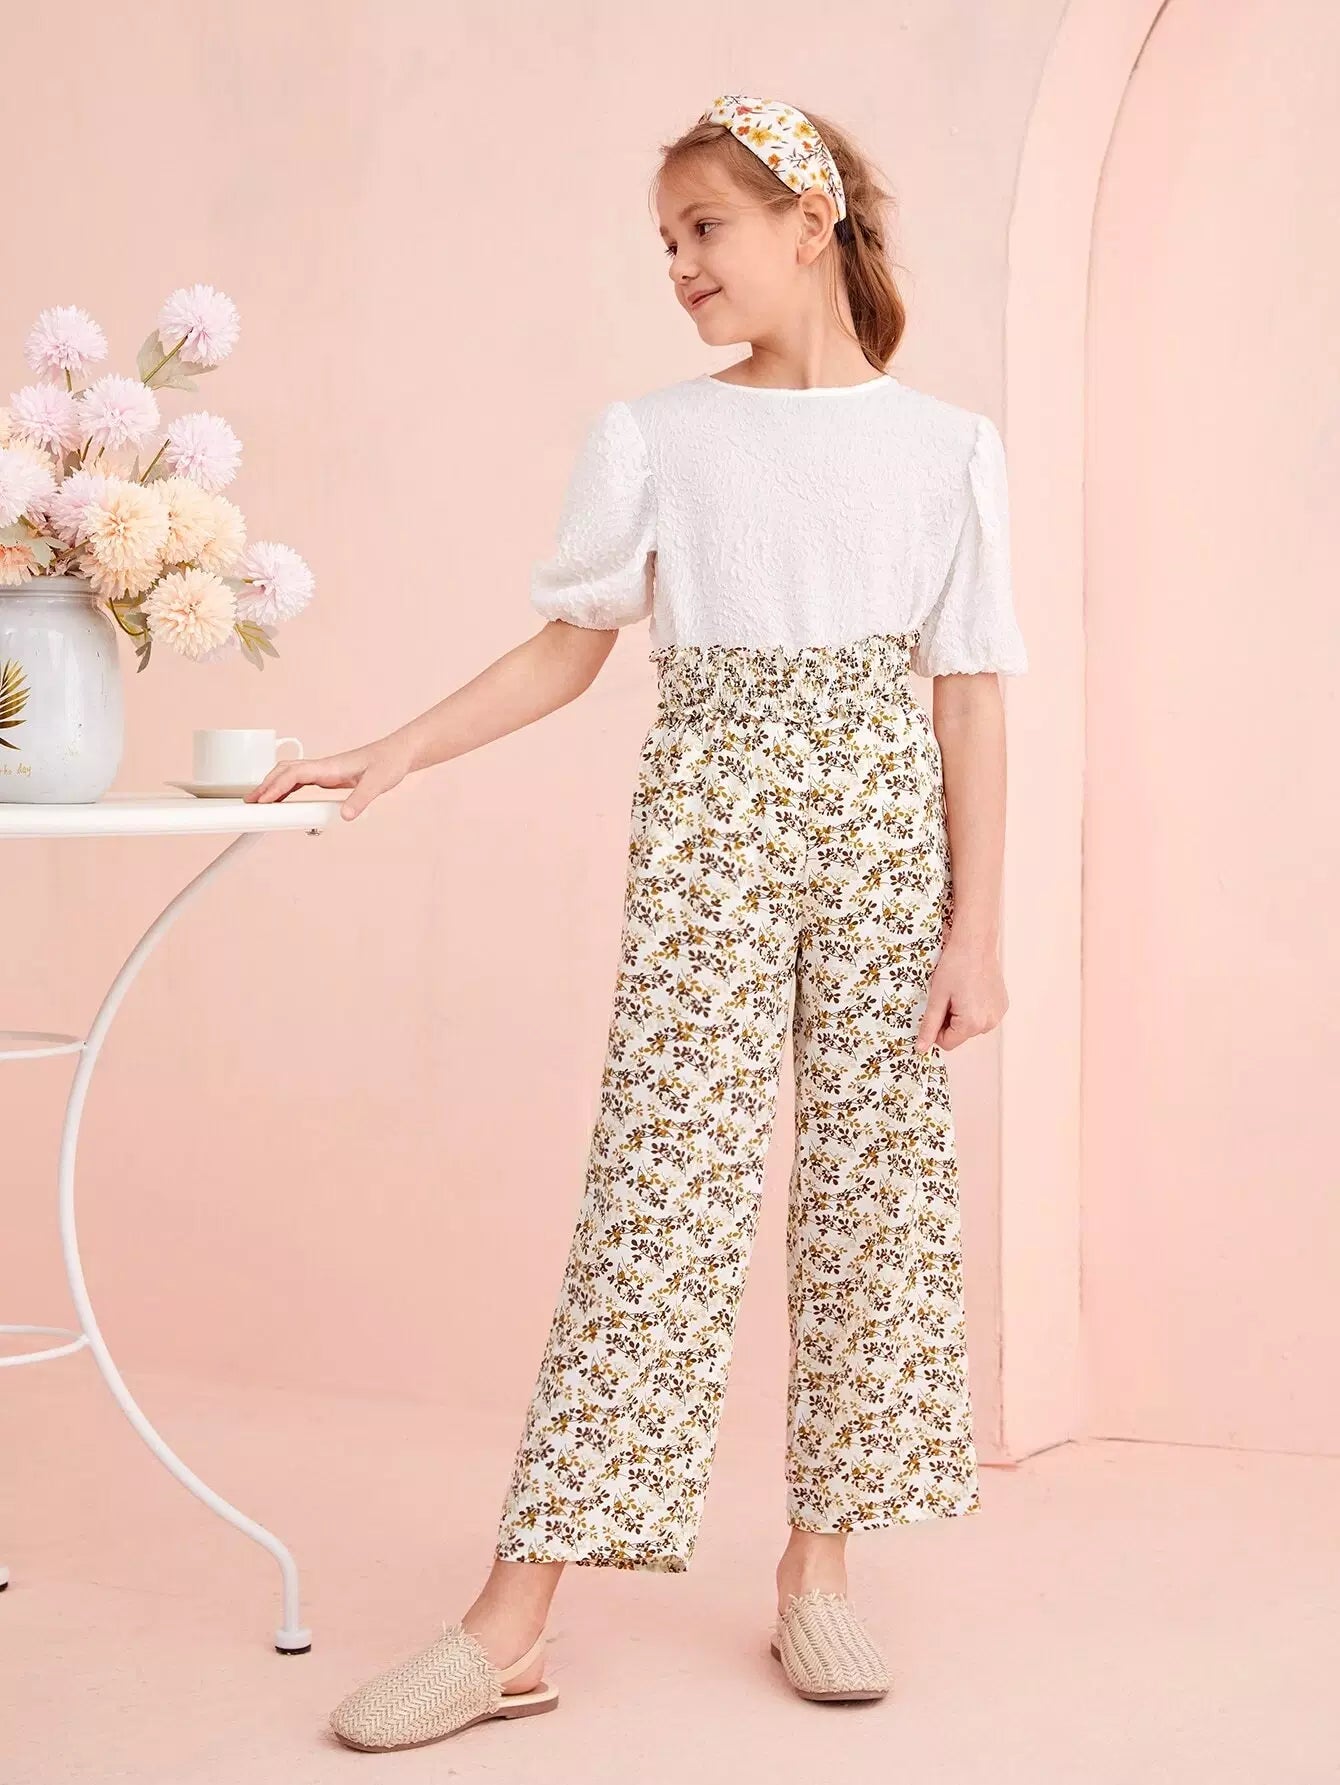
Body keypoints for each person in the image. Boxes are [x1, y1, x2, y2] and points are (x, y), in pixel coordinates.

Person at [247, 92, 1028, 1751]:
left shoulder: (947, 446)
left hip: (886, 833)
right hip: (712, 820)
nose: (679, 265)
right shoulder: (657, 437)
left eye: (703, 228)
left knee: (876, 1195)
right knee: (656, 1197)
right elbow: (570, 643)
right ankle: (512, 1620)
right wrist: (395, 748)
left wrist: (977, 930)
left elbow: (970, 691)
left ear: (809, 224)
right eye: (665, 242)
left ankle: (819, 1569)